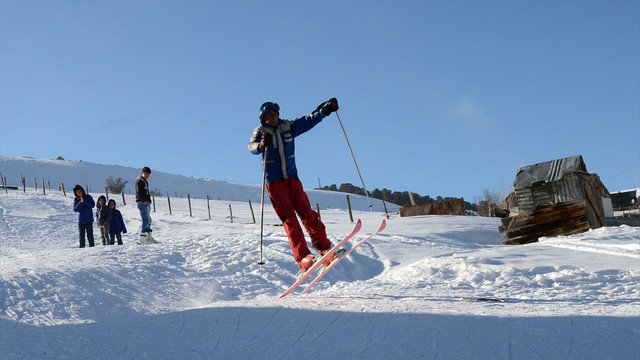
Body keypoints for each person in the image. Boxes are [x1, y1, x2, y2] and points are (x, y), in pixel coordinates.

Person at [248, 98, 340, 274]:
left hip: (293, 179)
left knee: (308, 214)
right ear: (263, 118)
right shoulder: (260, 132)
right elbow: (251, 147)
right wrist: (261, 144)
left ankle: (324, 248)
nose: (274, 118)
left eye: (275, 114)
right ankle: (303, 258)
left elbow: (307, 121)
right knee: (290, 220)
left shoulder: (287, 126)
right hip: (274, 183)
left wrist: (325, 110)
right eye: (270, 116)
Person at [135, 166, 157, 244]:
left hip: (146, 203)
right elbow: (140, 193)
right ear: (142, 173)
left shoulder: (144, 181)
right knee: (146, 220)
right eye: (146, 173)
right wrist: (144, 199)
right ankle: (143, 238)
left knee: (149, 220)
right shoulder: (139, 181)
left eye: (148, 174)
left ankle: (148, 237)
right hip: (142, 203)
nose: (147, 175)